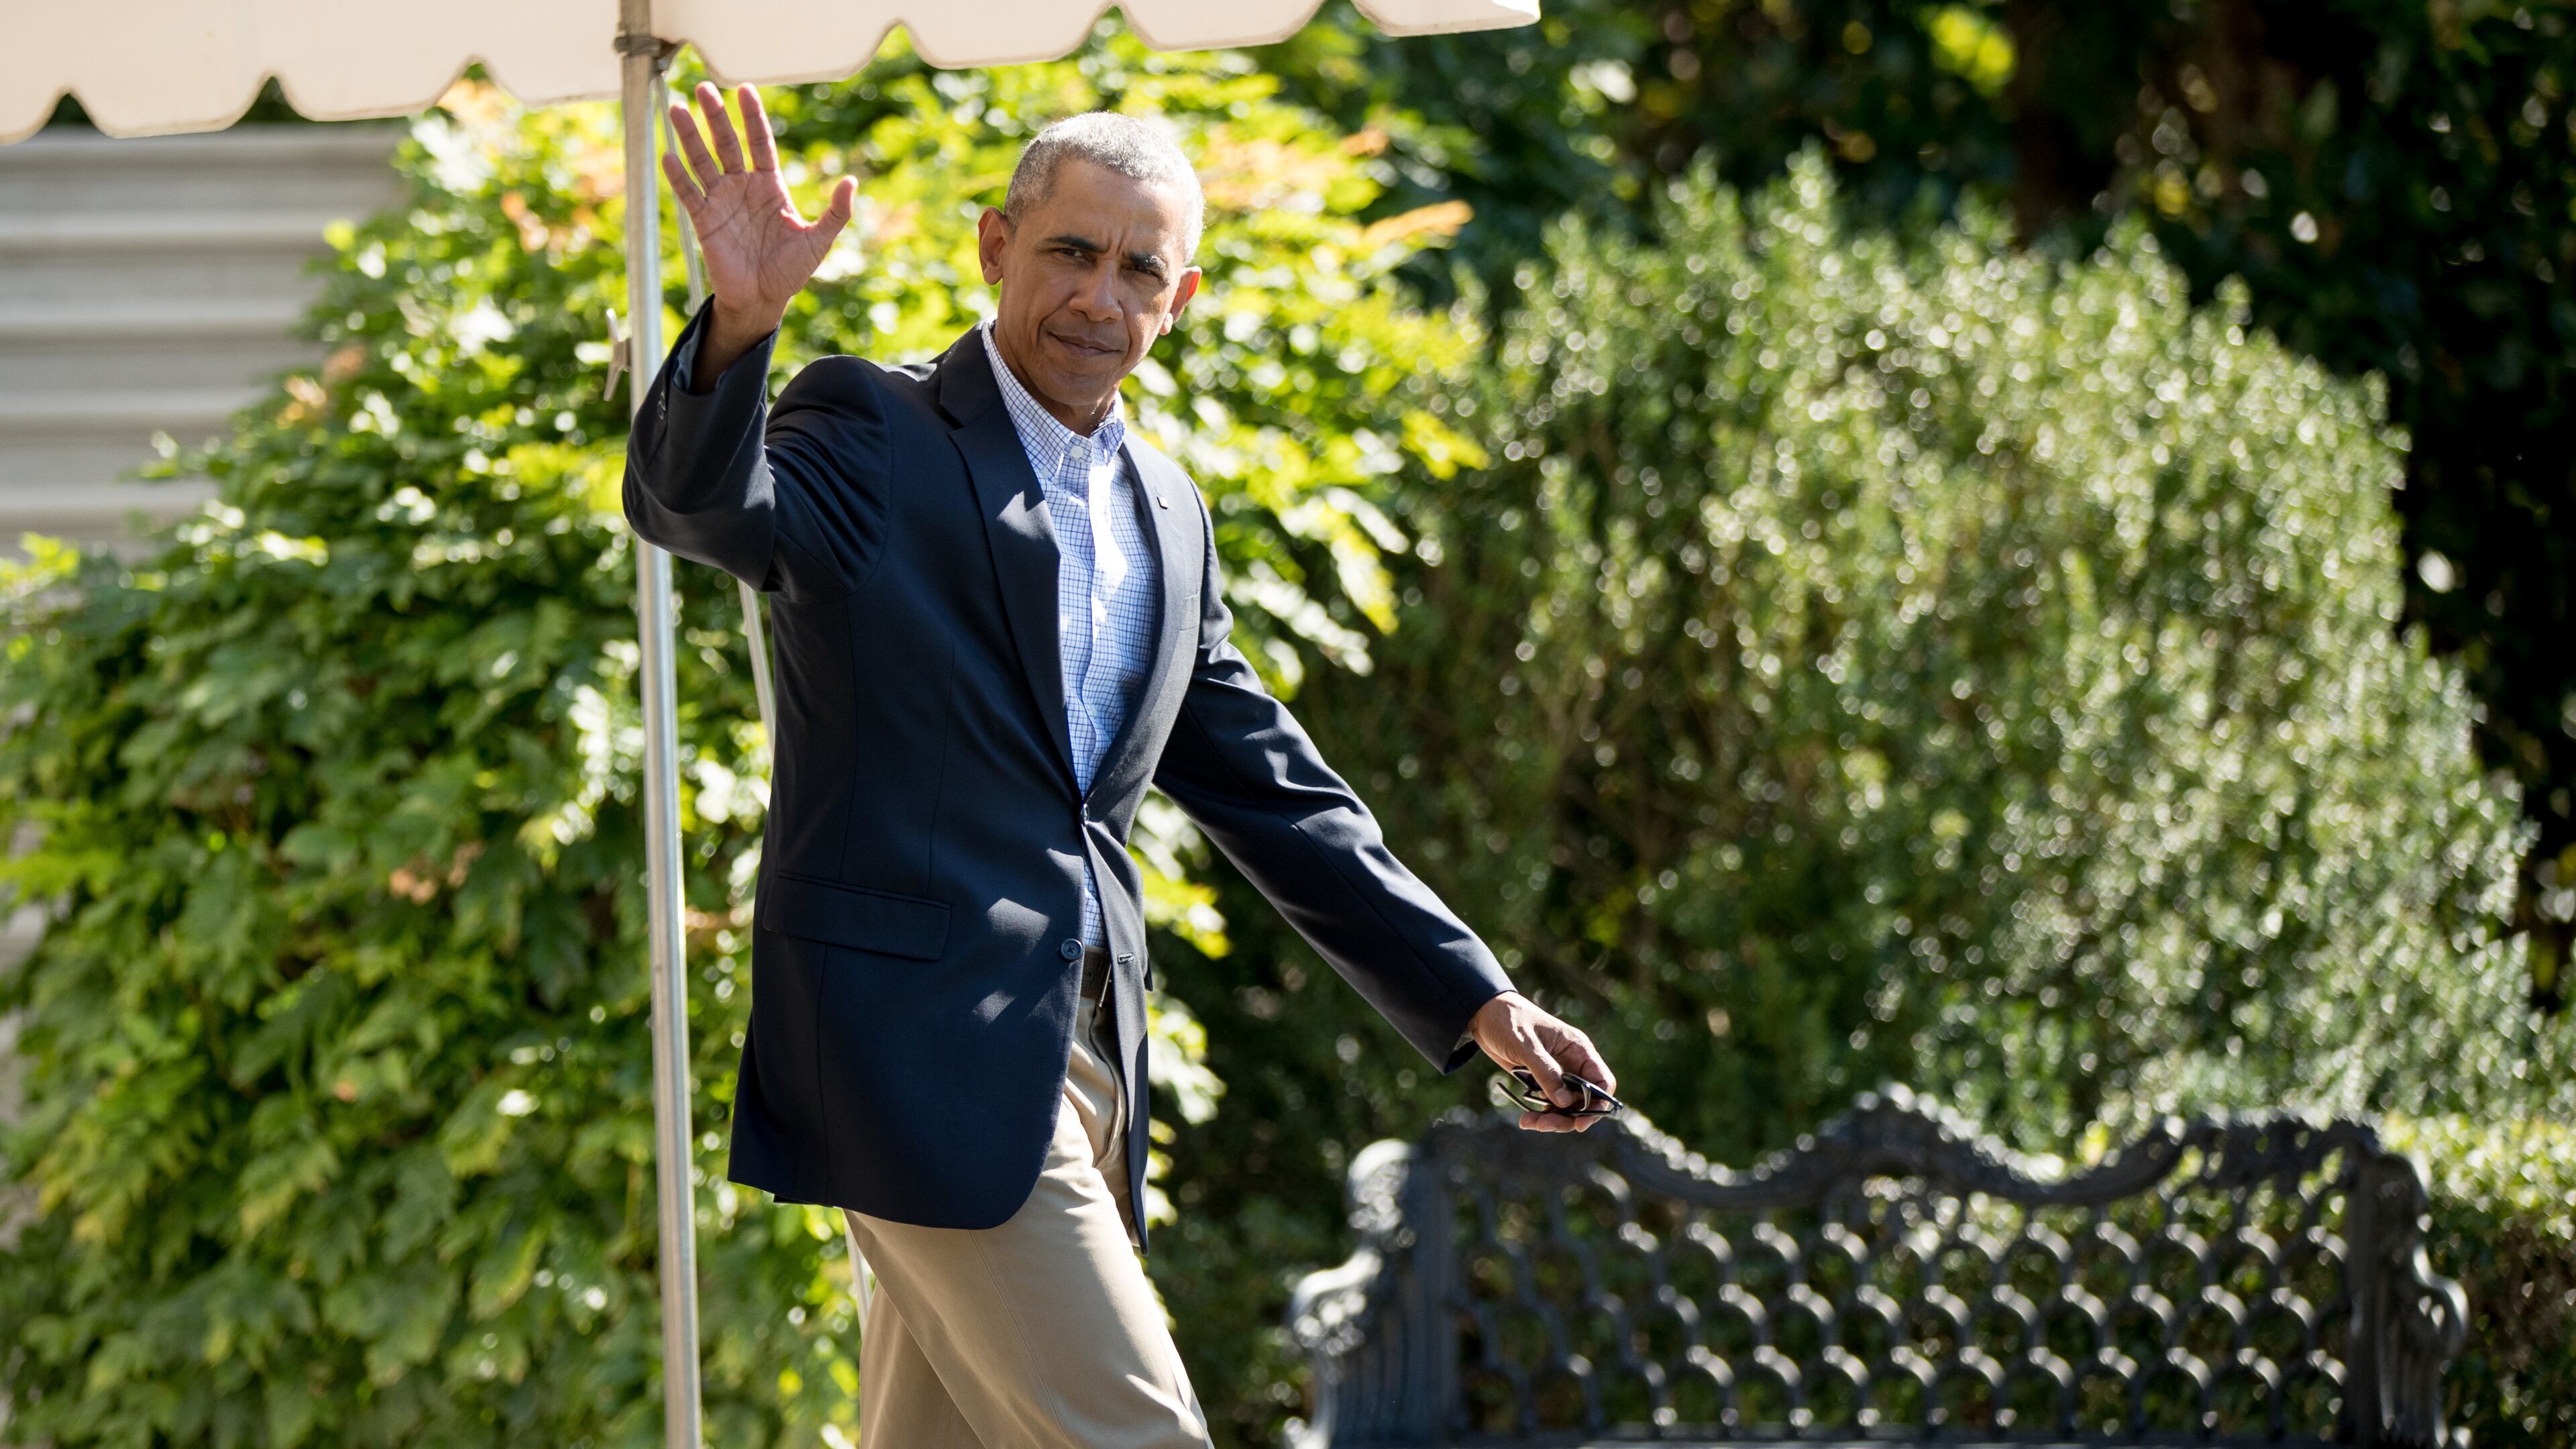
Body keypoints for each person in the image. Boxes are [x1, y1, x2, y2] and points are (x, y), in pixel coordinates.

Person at [627, 83, 1620, 1449]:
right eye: (1071, 252)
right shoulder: (873, 426)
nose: (1101, 293)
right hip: (914, 1049)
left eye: (1138, 267)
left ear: (1181, 296)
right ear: (995, 247)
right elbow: (701, 508)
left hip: (1086, 1057)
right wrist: (738, 331)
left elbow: (1274, 787)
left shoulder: (1169, 508)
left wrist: (1476, 996)